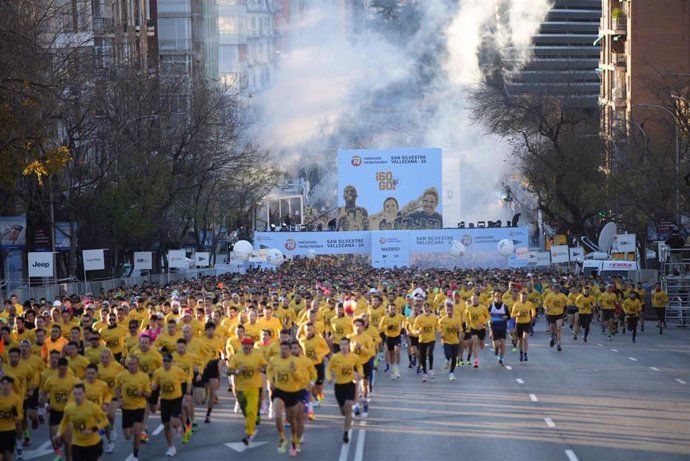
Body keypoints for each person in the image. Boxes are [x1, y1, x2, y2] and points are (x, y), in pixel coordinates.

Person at [227, 337, 267, 446]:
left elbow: (266, 366)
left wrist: (263, 369)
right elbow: (228, 371)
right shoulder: (237, 356)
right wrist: (237, 370)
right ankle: (254, 417)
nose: (246, 347)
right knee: (245, 410)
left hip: (254, 386)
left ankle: (249, 433)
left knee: (250, 410)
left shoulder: (257, 355)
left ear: (252, 346)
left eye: (248, 345)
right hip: (240, 388)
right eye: (244, 344)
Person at [40, 357, 81, 461]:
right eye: (61, 369)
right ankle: (58, 452)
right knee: (56, 440)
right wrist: (45, 404)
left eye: (65, 369)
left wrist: (71, 398)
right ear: (57, 368)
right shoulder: (51, 380)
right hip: (54, 412)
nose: (63, 371)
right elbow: (44, 393)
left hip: (67, 413)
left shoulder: (73, 380)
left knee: (68, 441)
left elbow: (81, 392)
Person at [53, 383, 108, 461]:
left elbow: (105, 421)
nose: (77, 396)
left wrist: (93, 429)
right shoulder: (69, 408)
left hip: (92, 444)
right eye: (75, 394)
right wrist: (59, 433)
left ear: (84, 393)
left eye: (79, 394)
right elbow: (64, 422)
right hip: (77, 444)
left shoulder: (93, 407)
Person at [266, 341, 304, 455]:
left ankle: (294, 439)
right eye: (282, 348)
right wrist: (271, 380)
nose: (283, 351)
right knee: (278, 415)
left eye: (286, 349)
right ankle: (282, 438)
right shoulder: (274, 360)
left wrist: (294, 371)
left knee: (292, 420)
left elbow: (301, 378)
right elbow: (269, 370)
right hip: (279, 391)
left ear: (290, 350)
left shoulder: (295, 361)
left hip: (292, 392)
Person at [151, 353, 189, 457]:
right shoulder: (158, 372)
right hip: (165, 400)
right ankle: (171, 447)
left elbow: (184, 383)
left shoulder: (178, 371)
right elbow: (155, 383)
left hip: (176, 399)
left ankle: (180, 426)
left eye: (168, 361)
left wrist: (185, 396)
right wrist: (154, 387)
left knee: (174, 422)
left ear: (172, 362)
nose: (166, 363)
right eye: (164, 361)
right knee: (166, 425)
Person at [114, 356, 152, 461]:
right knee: (127, 436)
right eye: (130, 364)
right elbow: (117, 387)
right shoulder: (121, 376)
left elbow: (149, 393)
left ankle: (135, 455)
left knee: (137, 432)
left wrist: (142, 393)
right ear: (127, 365)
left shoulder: (143, 377)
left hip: (139, 407)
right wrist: (119, 400)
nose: (132, 366)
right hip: (126, 408)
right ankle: (131, 428)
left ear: (138, 365)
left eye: (134, 364)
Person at [326, 338, 362, 444]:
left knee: (348, 406)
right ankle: (347, 420)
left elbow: (359, 367)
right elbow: (328, 369)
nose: (343, 347)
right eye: (341, 345)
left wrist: (360, 374)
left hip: (350, 384)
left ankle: (346, 432)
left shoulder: (354, 357)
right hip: (339, 386)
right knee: (343, 411)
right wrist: (329, 377)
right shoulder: (335, 357)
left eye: (345, 344)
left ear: (349, 346)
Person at [378, 304, 405, 379]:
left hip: (397, 336)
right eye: (391, 309)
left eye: (393, 309)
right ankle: (393, 368)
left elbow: (404, 321)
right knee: (391, 353)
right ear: (388, 310)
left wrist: (403, 327)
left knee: (397, 351)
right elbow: (380, 328)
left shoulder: (399, 316)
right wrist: (387, 327)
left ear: (396, 309)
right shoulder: (385, 318)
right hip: (389, 337)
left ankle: (397, 368)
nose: (392, 310)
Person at [412, 302, 438, 381]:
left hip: (431, 339)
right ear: (422, 309)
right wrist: (417, 332)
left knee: (430, 353)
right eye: (425, 308)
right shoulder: (419, 318)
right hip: (422, 339)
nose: (426, 309)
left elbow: (438, 326)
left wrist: (440, 332)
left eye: (428, 307)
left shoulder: (434, 317)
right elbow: (413, 329)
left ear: (430, 308)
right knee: (422, 356)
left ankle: (431, 369)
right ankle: (425, 373)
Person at [0, 376, 23, 461]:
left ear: (11, 386)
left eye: (7, 384)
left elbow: (20, 416)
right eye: (3, 384)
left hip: (10, 431)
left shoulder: (16, 399)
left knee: (7, 457)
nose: (5, 386)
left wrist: (15, 417)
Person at [438, 301, 462, 380]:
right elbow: (439, 329)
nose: (449, 312)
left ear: (452, 310)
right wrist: (441, 334)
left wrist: (459, 338)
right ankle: (447, 359)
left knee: (454, 358)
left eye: (450, 310)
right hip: (446, 341)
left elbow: (460, 330)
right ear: (445, 310)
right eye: (447, 310)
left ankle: (451, 373)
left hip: (455, 341)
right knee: (448, 354)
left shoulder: (456, 319)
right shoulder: (442, 320)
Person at [465, 294, 489, 368]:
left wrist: (483, 323)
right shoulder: (468, 307)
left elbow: (488, 316)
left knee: (481, 343)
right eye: (473, 300)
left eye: (475, 299)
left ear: (478, 300)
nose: (474, 301)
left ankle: (482, 341)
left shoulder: (483, 308)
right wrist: (467, 324)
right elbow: (466, 316)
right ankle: (476, 361)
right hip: (473, 327)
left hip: (482, 328)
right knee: (474, 342)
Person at [510, 292, 535, 362]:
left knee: (525, 338)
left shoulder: (529, 303)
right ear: (519, 297)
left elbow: (533, 309)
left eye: (525, 297)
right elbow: (512, 315)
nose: (523, 299)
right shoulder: (516, 305)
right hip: (519, 323)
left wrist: (533, 315)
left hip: (526, 323)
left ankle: (525, 354)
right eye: (522, 297)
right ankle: (521, 352)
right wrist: (518, 314)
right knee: (520, 339)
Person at [543, 283, 568, 351]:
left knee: (559, 328)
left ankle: (559, 344)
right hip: (551, 314)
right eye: (555, 288)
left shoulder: (562, 295)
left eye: (558, 289)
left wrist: (565, 304)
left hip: (559, 314)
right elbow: (544, 303)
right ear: (553, 289)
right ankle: (553, 336)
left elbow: (568, 301)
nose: (556, 290)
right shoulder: (549, 295)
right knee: (552, 328)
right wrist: (546, 308)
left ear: (559, 289)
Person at [488, 291, 510, 366]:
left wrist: (506, 317)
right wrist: (490, 330)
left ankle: (501, 359)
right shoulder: (490, 306)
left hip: (502, 327)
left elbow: (509, 316)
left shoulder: (505, 307)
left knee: (503, 344)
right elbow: (487, 317)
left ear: (501, 298)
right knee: (497, 344)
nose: (498, 298)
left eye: (499, 297)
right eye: (496, 297)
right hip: (494, 327)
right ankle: (496, 349)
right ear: (494, 297)